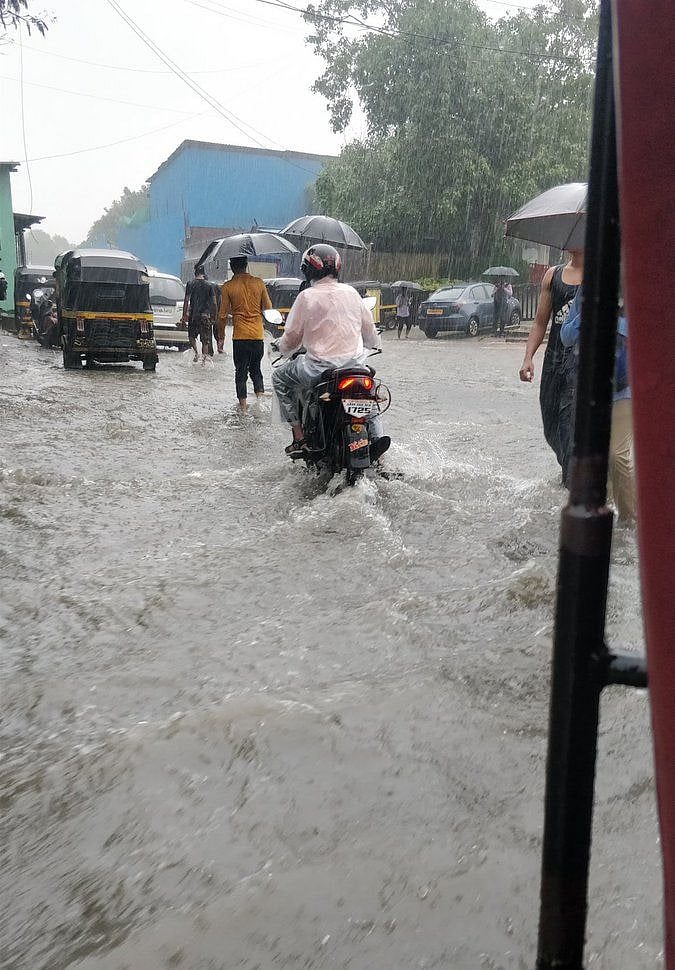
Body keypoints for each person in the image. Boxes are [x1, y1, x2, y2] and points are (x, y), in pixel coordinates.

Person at [272, 243, 389, 461]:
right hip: (354, 366)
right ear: (337, 268)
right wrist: (373, 344)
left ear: (308, 270)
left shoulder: (306, 297)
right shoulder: (352, 293)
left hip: (319, 370)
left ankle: (299, 437)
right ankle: (379, 449)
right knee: (369, 395)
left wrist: (280, 347)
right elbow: (371, 335)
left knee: (278, 377)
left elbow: (291, 339)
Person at [560, 289, 636, 521]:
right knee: (599, 457)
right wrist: (587, 316)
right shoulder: (586, 290)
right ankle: (607, 513)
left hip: (624, 389)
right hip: (591, 391)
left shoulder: (635, 287)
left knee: (617, 456)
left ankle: (630, 519)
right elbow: (566, 336)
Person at [519, 250, 583, 485]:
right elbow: (539, 322)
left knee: (568, 422)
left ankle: (571, 483)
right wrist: (528, 357)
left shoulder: (598, 275)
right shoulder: (552, 276)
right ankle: (570, 465)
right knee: (551, 423)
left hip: (580, 362)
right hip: (554, 358)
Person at [218, 256, 272, 410]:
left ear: (232, 267)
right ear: (246, 265)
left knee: (240, 371)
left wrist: (221, 336)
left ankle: (243, 408)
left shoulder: (228, 287)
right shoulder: (259, 283)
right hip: (257, 335)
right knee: (256, 369)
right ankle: (260, 403)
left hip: (240, 336)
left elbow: (222, 316)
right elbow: (268, 308)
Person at [182, 266, 217, 363]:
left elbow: (186, 300)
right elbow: (214, 303)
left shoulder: (190, 284)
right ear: (204, 274)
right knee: (205, 341)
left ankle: (196, 353)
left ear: (195, 274)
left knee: (191, 336)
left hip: (193, 316)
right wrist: (214, 316)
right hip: (205, 316)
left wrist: (184, 315)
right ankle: (204, 361)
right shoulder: (209, 286)